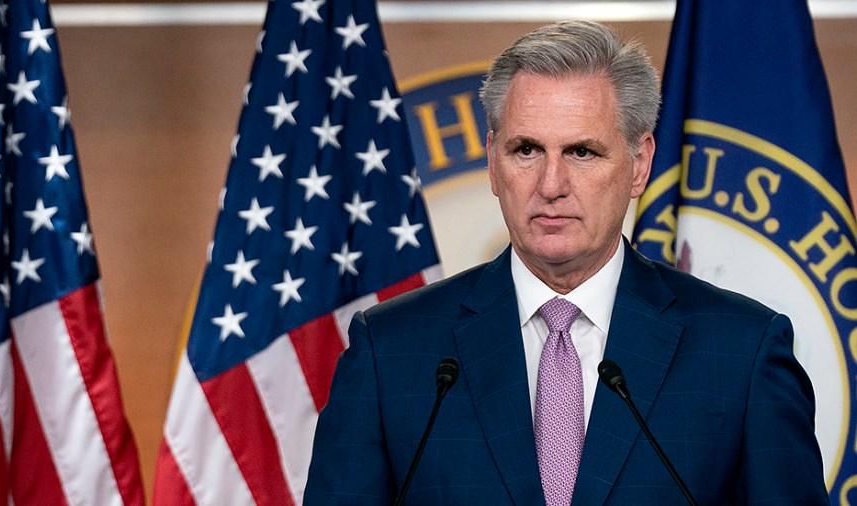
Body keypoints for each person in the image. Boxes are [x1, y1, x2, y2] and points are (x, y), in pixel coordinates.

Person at [304, 20, 829, 505]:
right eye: (527, 150)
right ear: (493, 162)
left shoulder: (741, 352)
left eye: (582, 152)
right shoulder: (391, 352)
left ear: (639, 165)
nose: (550, 186)